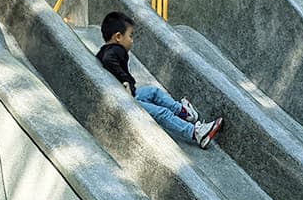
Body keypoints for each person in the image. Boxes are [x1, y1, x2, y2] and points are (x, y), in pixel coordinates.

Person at [95, 12, 222, 148]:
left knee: (153, 92)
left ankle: (183, 112)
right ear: (118, 37)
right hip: (128, 103)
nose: (132, 40)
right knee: (162, 113)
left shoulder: (104, 50)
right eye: (130, 36)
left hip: (130, 95)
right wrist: (125, 79)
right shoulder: (116, 50)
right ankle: (196, 133)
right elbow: (109, 61)